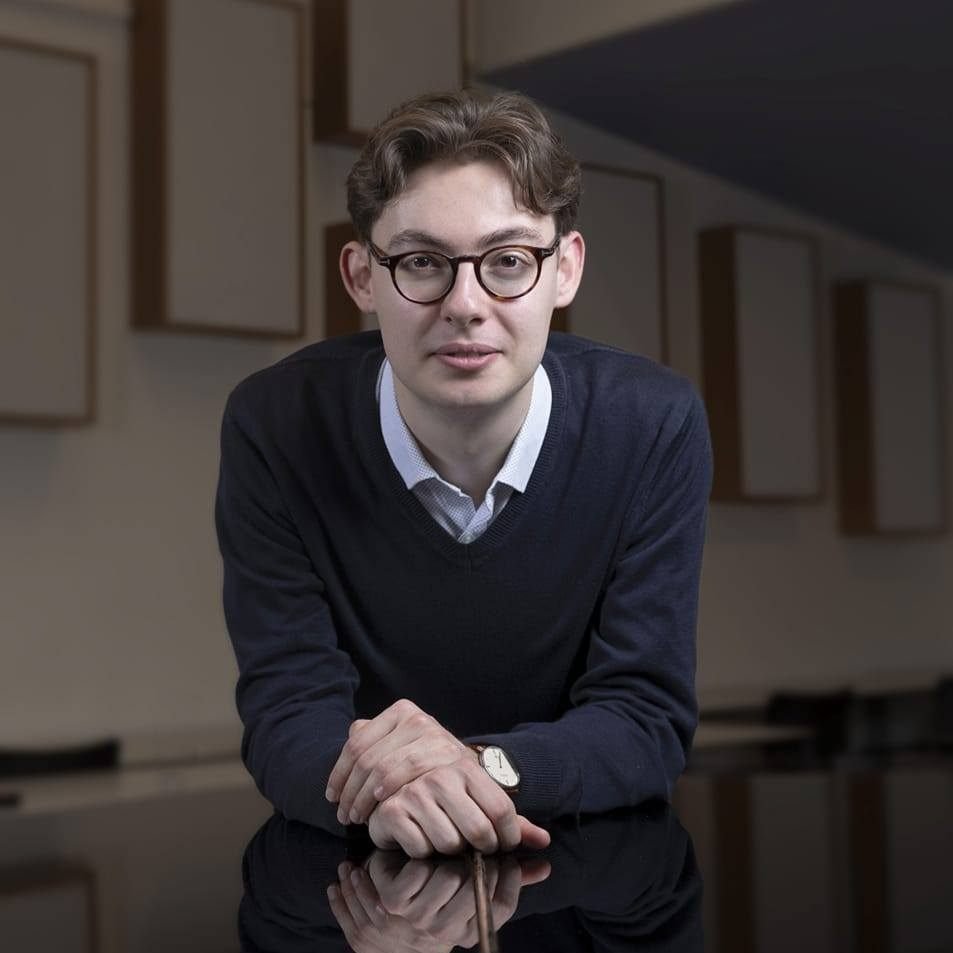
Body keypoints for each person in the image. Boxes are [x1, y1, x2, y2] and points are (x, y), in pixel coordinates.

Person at [215, 88, 712, 859]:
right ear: (361, 278)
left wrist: (472, 768)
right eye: (421, 262)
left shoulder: (651, 424)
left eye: (508, 261)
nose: (466, 304)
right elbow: (288, 711)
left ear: (565, 271)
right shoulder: (275, 425)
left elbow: (643, 716)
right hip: (368, 867)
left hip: (585, 886)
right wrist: (400, 792)